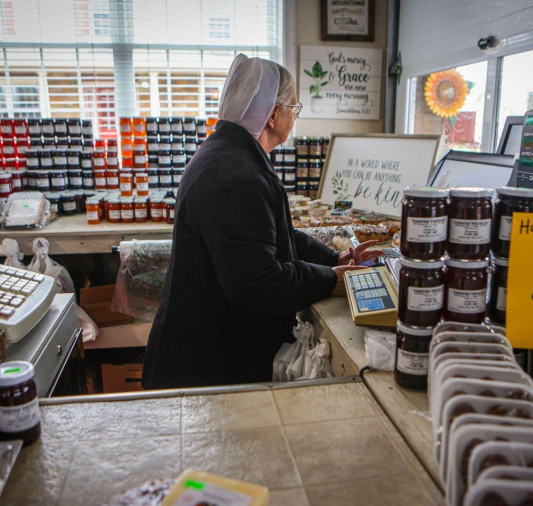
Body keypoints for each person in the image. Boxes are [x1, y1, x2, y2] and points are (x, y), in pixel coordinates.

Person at [142, 54, 381, 389]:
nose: (294, 118)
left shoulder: (231, 155)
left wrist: (332, 259)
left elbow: (276, 231)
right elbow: (258, 284)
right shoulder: (236, 176)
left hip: (207, 350)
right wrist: (330, 280)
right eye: (294, 109)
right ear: (272, 114)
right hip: (204, 368)